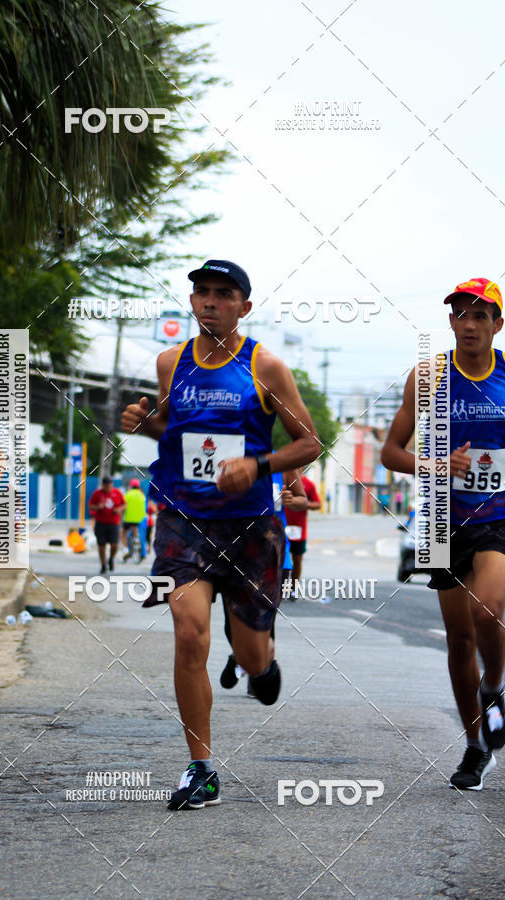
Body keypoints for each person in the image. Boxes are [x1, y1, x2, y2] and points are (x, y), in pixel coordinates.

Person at [121, 258, 319, 810]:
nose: (209, 301)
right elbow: (174, 430)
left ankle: (255, 657)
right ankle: (200, 767)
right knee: (188, 633)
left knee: (255, 660)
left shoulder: (266, 367)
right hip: (183, 519)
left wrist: (257, 466)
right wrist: (146, 422)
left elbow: (309, 442)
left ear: (244, 307)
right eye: (201, 292)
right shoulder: (170, 362)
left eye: (222, 294)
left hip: (252, 527)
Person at [381, 277, 505, 790]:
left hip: (503, 514)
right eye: (461, 313)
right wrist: (438, 464)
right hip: (443, 516)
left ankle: (494, 689)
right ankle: (474, 746)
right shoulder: (428, 377)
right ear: (451, 321)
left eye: (480, 315)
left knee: (487, 609)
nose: (469, 323)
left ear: (497, 325)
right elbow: (390, 453)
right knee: (459, 638)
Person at [220, 468, 307, 696]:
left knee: (266, 622)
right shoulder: (234, 459)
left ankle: (258, 676)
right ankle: (238, 655)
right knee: (232, 621)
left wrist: (292, 499)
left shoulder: (286, 466)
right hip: (237, 552)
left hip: (274, 556)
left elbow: (302, 501)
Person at [285, 466, 321, 596]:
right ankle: (278, 588)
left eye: (300, 466)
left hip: (299, 529)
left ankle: (293, 588)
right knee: (279, 559)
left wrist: (304, 504)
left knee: (297, 559)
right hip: (281, 526)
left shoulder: (308, 484)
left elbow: (318, 504)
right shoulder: (283, 480)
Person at [88, 476, 124, 573]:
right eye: (106, 485)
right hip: (101, 523)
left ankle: (111, 559)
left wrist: (119, 509)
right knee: (101, 546)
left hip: (114, 523)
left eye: (110, 485)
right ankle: (103, 565)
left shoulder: (117, 493)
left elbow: (124, 504)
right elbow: (90, 506)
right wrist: (98, 507)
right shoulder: (97, 494)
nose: (108, 487)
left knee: (114, 545)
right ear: (103, 485)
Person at [122, 478, 147, 561]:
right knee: (135, 530)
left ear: (131, 486)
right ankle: (136, 540)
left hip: (128, 518)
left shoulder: (127, 494)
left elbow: (124, 506)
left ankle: (126, 550)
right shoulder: (142, 495)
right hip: (139, 519)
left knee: (123, 533)